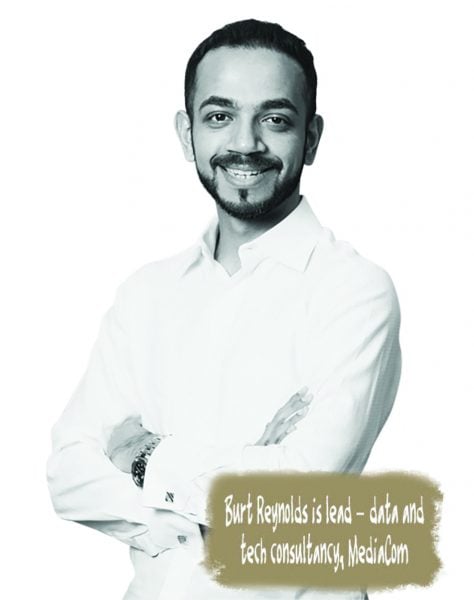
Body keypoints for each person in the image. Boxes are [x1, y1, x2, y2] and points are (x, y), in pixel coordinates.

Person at [47, 19, 401, 600]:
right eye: (219, 116)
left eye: (275, 119)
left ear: (311, 138)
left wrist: (141, 455)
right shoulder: (146, 293)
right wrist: (222, 499)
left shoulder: (353, 290)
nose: (245, 143)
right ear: (187, 134)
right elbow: (68, 473)